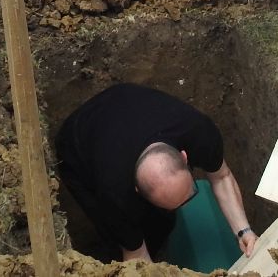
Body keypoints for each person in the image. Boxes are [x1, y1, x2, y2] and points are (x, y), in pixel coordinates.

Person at [56, 83, 259, 263]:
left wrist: (244, 232)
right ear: (136, 190)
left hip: (125, 100)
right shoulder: (114, 192)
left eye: (190, 194)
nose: (184, 208)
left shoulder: (199, 133)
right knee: (119, 235)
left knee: (162, 223)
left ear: (184, 156)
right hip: (77, 147)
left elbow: (222, 177)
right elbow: (136, 258)